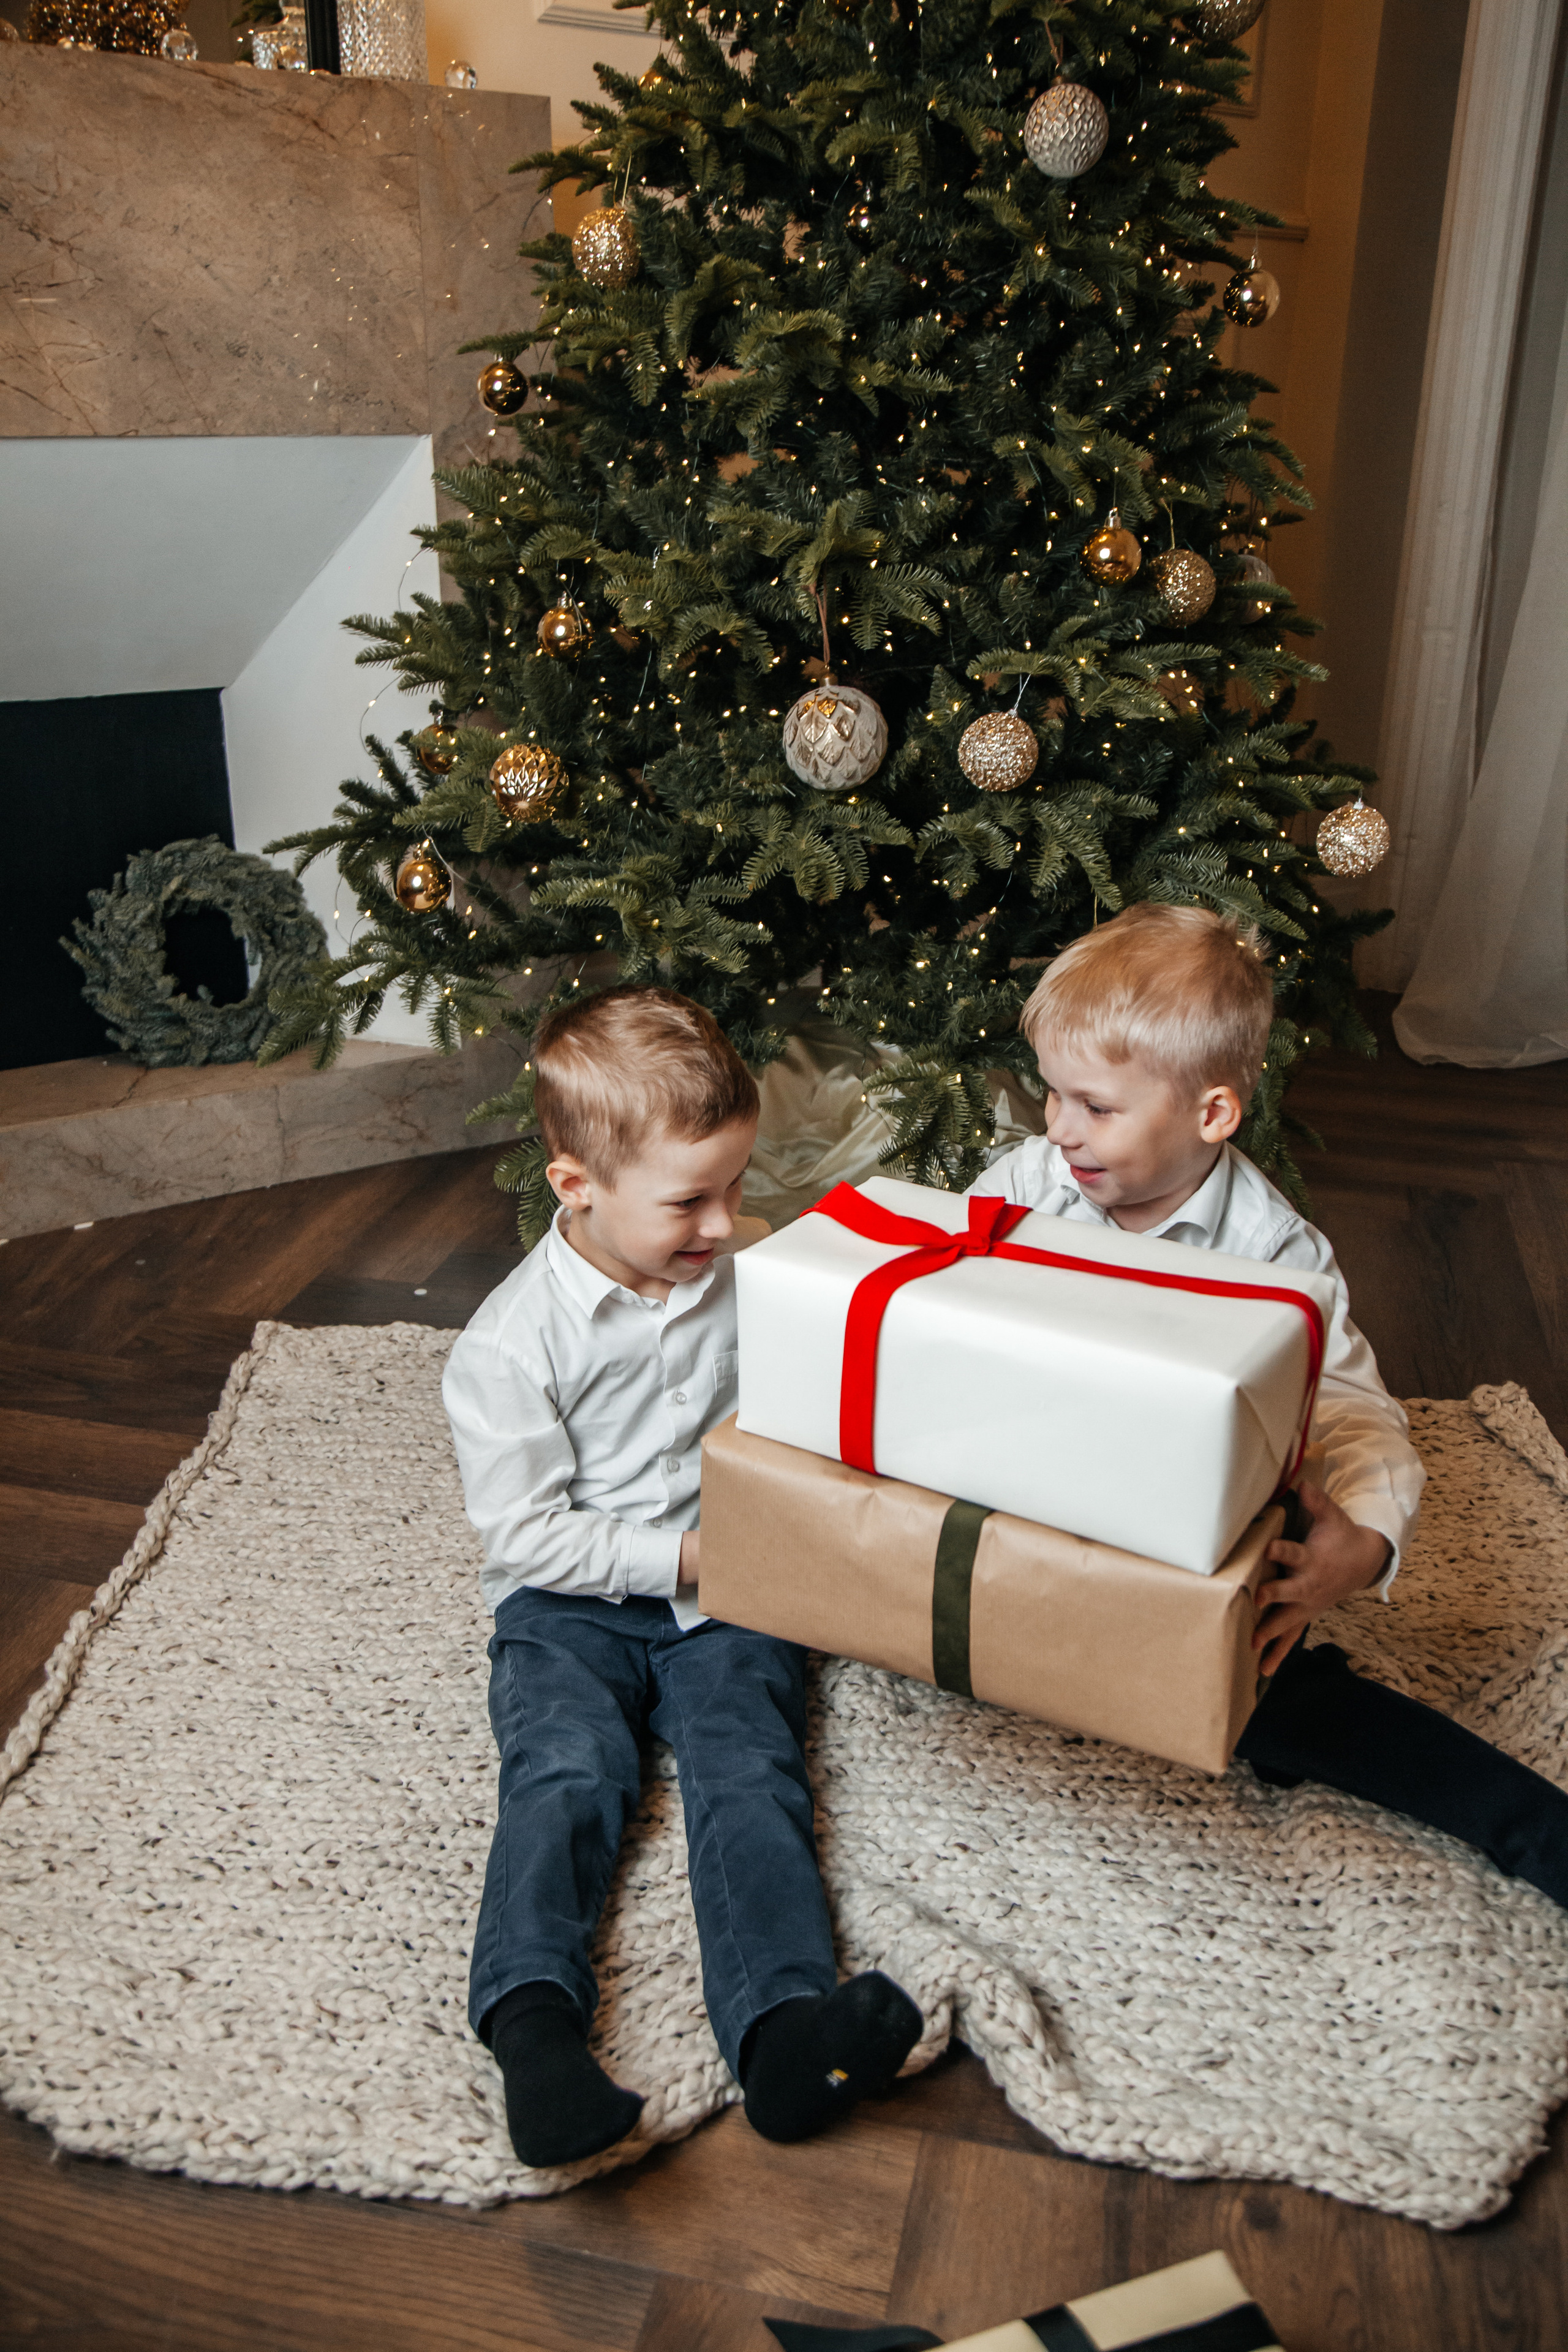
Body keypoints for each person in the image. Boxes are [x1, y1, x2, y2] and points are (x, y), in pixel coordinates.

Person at [970, 901, 1568, 1909]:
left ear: (1211, 1114)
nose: (1059, 1128)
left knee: (1274, 1681)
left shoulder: (1275, 1254)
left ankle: (1535, 1828)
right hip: (1028, 1481)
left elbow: (1356, 1412)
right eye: (1052, 1096)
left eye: (1095, 1107)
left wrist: (1365, 1543)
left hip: (1170, 1528)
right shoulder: (1029, 1183)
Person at [443, 986, 921, 2169]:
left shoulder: (751, 1270)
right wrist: (693, 1554)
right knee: (565, 1775)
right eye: (688, 1201)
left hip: (729, 1597)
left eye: (735, 1186)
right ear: (577, 1187)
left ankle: (780, 2034)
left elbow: (819, 1393)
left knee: (751, 1777)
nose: (724, 1220)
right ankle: (535, 2028)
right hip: (569, 1607)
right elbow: (525, 1539)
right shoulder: (507, 1347)